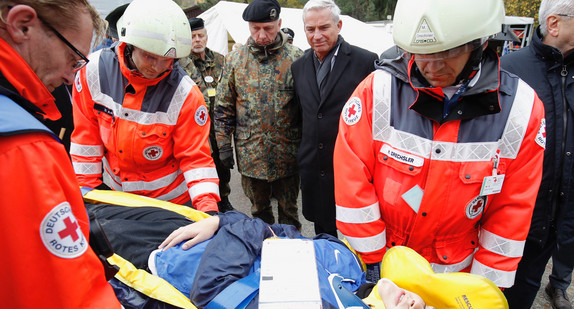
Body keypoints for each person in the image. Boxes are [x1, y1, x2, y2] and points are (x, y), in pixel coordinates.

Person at [333, 0, 546, 288]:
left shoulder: (521, 108)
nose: (431, 66)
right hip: (383, 268)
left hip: (455, 279)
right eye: (420, 54)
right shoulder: (377, 91)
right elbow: (352, 181)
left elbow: (512, 209)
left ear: (481, 42)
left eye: (447, 52)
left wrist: (484, 291)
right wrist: (372, 265)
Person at [0, 1, 121, 308]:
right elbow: (70, 292)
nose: (71, 77)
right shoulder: (24, 146)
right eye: (73, 58)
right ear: (22, 24)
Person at [70, 0, 220, 212]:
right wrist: (87, 196)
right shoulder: (93, 72)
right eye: (149, 56)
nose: (157, 67)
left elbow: (196, 160)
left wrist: (208, 211)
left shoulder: (185, 94)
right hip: (119, 201)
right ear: (129, 44)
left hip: (172, 205)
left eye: (167, 59)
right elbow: (86, 141)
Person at [500, 1, 574, 308]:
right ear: (554, 24)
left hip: (560, 217)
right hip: (513, 217)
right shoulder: (509, 69)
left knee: (524, 291)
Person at [214, 0, 304, 228]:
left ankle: (291, 254)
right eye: (256, 28)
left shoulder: (296, 58)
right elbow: (224, 107)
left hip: (288, 154)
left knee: (290, 214)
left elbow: (307, 108)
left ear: (279, 24)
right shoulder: (235, 60)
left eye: (268, 28)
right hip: (251, 155)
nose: (262, 35)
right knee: (259, 214)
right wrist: (224, 146)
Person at [292, 0, 377, 237]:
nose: (317, 35)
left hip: (351, 170)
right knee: (324, 234)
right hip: (314, 167)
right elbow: (304, 116)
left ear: (338, 25)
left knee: (356, 236)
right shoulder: (298, 67)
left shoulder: (365, 62)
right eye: (310, 29)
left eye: (324, 27)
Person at [180, 17, 233, 213]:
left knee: (222, 165)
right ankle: (206, 203)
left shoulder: (220, 60)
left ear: (206, 37)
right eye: (192, 37)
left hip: (219, 124)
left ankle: (224, 198)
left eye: (200, 35)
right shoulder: (183, 64)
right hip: (196, 126)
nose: (197, 40)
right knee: (202, 165)